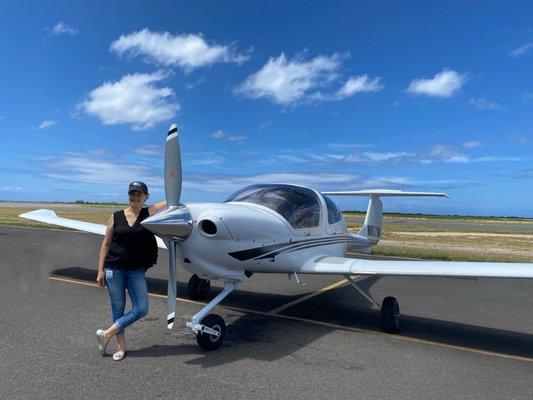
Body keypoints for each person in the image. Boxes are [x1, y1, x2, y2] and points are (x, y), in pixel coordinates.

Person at [95, 181, 166, 361]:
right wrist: (100, 270)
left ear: (146, 197)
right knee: (117, 309)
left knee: (141, 308)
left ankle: (106, 334)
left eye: (139, 194)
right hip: (113, 269)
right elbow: (105, 244)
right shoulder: (115, 216)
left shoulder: (148, 212)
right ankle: (121, 346)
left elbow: (171, 201)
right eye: (132, 194)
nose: (135, 197)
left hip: (135, 270)